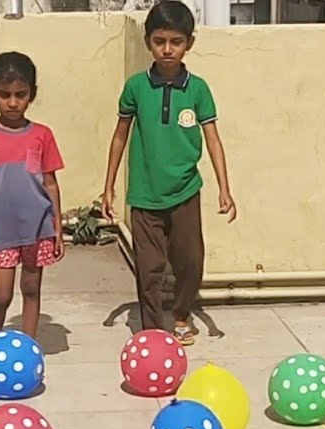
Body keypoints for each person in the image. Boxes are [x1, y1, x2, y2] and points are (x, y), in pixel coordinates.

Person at [100, 0, 236, 346]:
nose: (167, 49)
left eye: (175, 42)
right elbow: (120, 137)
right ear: (148, 41)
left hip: (186, 191)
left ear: (189, 43)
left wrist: (224, 188)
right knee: (149, 268)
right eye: (159, 41)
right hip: (145, 195)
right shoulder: (136, 87)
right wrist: (109, 187)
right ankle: (152, 333)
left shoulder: (198, 89)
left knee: (190, 261)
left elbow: (213, 140)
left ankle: (179, 315)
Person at [0, 51, 65, 339]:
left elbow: (51, 183)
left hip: (39, 229)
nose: (12, 102)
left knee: (31, 289)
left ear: (31, 95)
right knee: (2, 295)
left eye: (20, 94)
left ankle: (28, 347)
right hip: (3, 231)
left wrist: (57, 227)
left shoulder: (42, 135)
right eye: (4, 94)